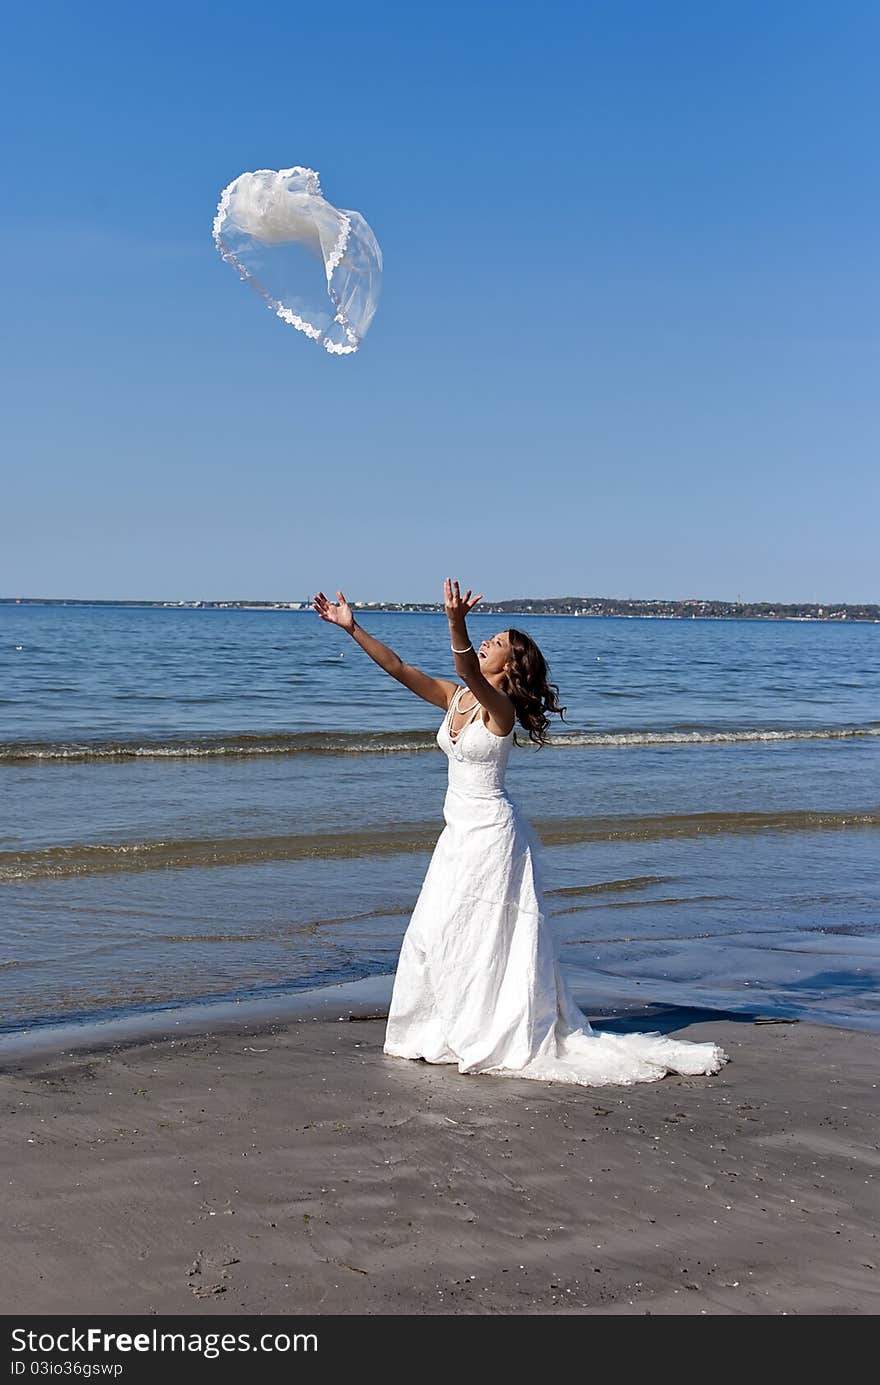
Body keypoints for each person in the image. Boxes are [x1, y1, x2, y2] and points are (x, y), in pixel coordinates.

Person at [312, 579, 728, 1088]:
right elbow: (399, 669)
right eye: (488, 638)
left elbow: (466, 665)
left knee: (480, 937)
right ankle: (440, 1030)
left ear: (507, 667)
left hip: (491, 838)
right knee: (435, 932)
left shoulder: (499, 711)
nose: (487, 643)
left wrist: (455, 621)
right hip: (457, 834)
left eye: (497, 642)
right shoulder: (457, 698)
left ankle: (484, 1031)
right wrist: (354, 629)